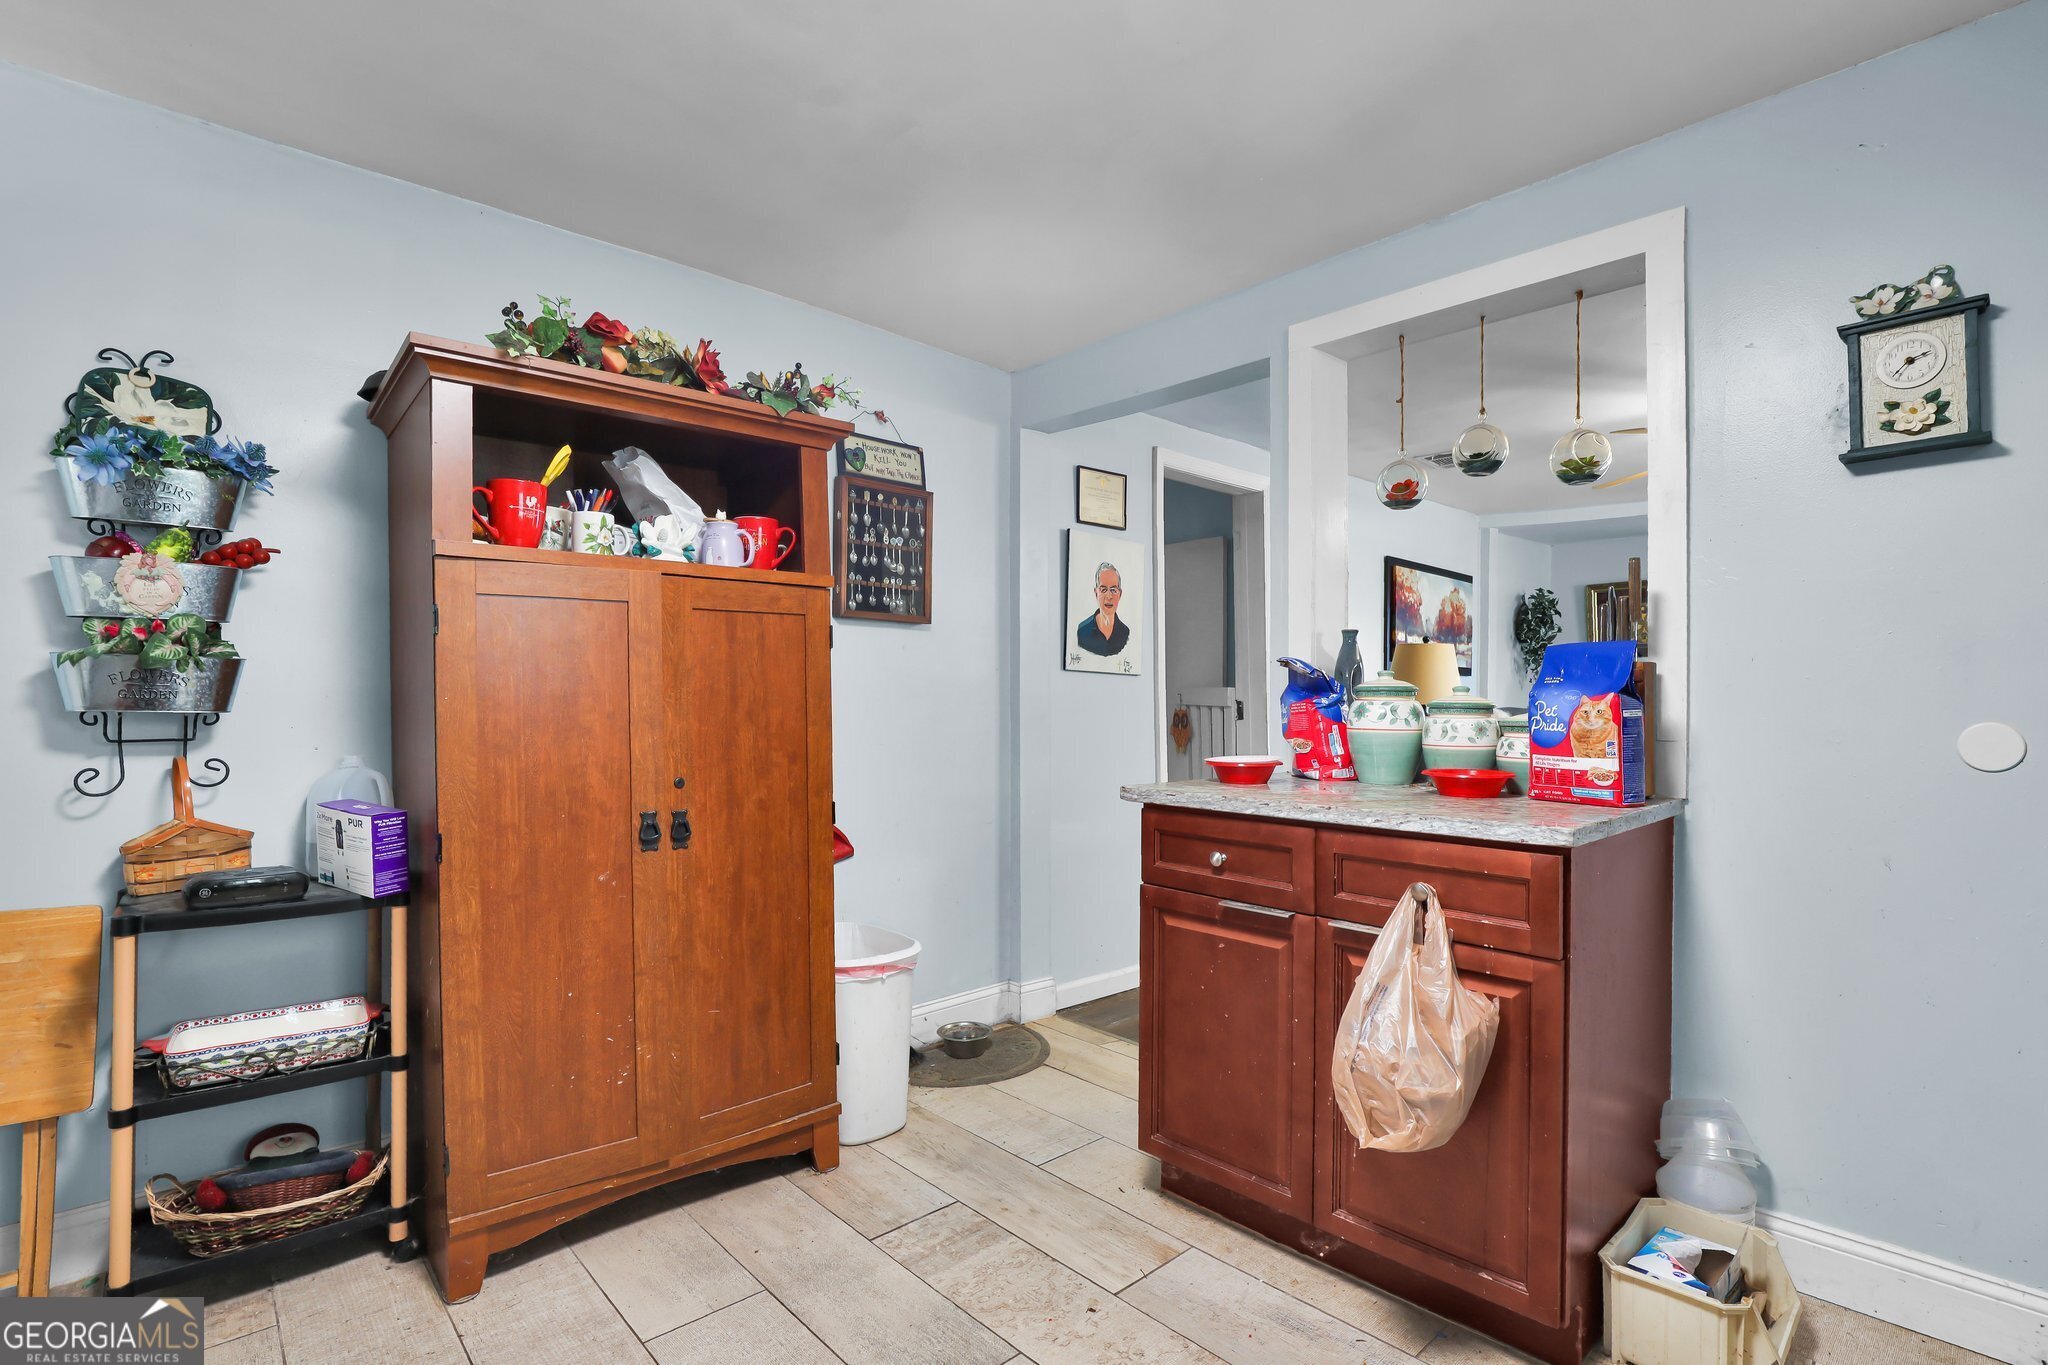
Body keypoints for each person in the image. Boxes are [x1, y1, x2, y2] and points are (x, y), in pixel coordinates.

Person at [1076, 561, 1130, 657]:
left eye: (1113, 590)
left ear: (1120, 594)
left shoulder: (1125, 633)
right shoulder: (1082, 631)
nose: (1109, 596)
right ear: (1096, 593)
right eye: (1103, 590)